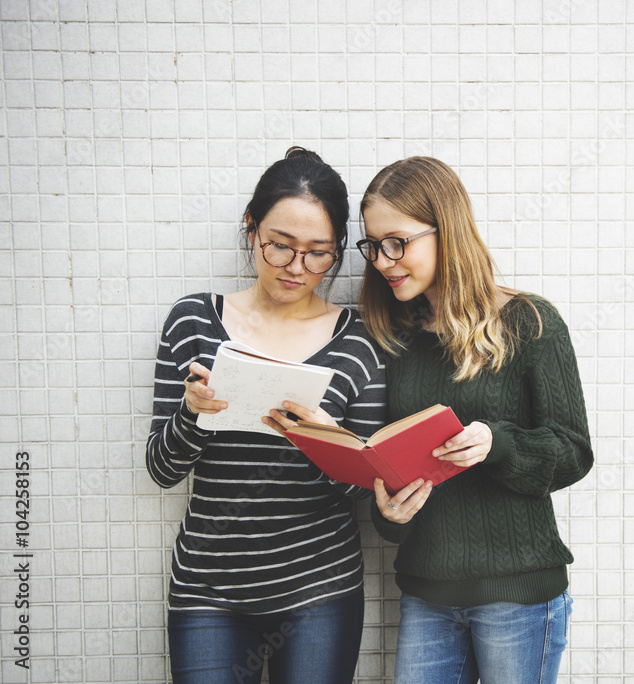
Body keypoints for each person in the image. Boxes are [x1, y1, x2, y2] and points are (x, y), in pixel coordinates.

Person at [145, 147, 386, 684]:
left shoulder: (361, 339)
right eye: (280, 246)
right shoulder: (192, 322)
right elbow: (162, 470)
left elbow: (370, 487)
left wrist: (328, 440)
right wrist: (191, 414)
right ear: (251, 229)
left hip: (320, 589)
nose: (298, 268)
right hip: (208, 590)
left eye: (319, 253)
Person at [357, 156, 594, 683]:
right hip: (426, 593)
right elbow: (385, 469)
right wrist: (388, 514)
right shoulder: (393, 339)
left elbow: (574, 453)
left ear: (448, 230)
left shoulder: (531, 322)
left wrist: (498, 444)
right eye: (373, 245)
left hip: (519, 595)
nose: (382, 260)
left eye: (397, 242)